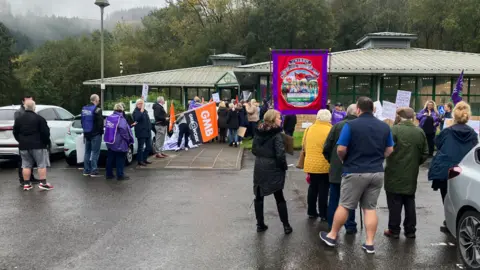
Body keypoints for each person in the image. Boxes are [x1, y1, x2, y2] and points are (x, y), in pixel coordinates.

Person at [319, 97, 394, 254]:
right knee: (370, 208)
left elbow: (340, 148)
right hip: (376, 172)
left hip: (355, 171)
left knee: (345, 205)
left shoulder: (350, 125)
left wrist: (344, 159)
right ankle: (369, 243)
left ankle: (332, 236)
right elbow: (390, 150)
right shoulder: (384, 127)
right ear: (373, 110)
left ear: (358, 109)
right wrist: (380, 159)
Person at [428, 101, 478, 230]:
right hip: (465, 169)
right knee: (465, 197)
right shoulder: (473, 134)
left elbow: (437, 144)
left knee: (447, 196)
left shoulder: (447, 131)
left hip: (445, 169)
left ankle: (449, 222)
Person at [384, 108, 429, 239]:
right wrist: (415, 162)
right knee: (409, 201)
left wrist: (390, 159)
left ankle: (394, 229)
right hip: (411, 172)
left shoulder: (394, 130)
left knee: (394, 202)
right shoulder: (419, 131)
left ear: (399, 116)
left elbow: (387, 149)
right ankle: (410, 230)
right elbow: (426, 152)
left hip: (394, 171)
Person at [252, 109, 292, 234]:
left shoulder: (258, 132)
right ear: (273, 119)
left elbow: (254, 150)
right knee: (279, 195)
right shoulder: (277, 134)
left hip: (259, 165)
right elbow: (280, 154)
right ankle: (286, 226)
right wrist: (284, 166)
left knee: (259, 195)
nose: (281, 120)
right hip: (273, 166)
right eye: (279, 117)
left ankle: (260, 224)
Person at [323, 104, 358, 234]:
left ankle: (332, 224)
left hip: (337, 168)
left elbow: (326, 147)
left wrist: (332, 161)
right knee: (351, 199)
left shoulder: (337, 126)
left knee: (334, 197)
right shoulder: (360, 127)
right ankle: (350, 225)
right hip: (354, 168)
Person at [13, 100, 54, 191]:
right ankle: (43, 183)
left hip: (24, 145)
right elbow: (45, 133)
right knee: (41, 164)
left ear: (25, 107)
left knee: (26, 165)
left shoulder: (19, 119)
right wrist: (45, 142)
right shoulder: (39, 118)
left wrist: (20, 140)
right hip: (38, 145)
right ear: (34, 107)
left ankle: (26, 184)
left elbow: (15, 132)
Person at [303, 109, 332, 220]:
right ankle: (323, 214)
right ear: (329, 118)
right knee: (324, 189)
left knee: (313, 188)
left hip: (310, 164)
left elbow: (304, 146)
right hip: (325, 164)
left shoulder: (309, 129)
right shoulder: (330, 130)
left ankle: (311, 211)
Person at [104, 104, 134, 181]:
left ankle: (109, 174)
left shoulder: (109, 118)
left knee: (110, 158)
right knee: (120, 158)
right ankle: (120, 175)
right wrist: (128, 140)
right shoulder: (121, 119)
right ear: (122, 109)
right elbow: (124, 131)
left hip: (110, 141)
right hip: (120, 142)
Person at [14, 95, 39, 185]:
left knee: (30, 160)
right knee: (23, 161)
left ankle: (30, 177)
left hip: (32, 141)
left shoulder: (32, 111)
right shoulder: (19, 112)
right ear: (23, 101)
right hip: (24, 140)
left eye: (31, 100)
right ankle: (23, 179)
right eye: (28, 100)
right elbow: (17, 128)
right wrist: (20, 139)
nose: (30, 101)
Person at [81, 94, 104, 177]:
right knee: (95, 152)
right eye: (98, 100)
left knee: (87, 152)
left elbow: (82, 121)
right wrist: (101, 132)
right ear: (96, 100)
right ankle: (94, 170)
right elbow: (100, 123)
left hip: (87, 134)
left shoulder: (84, 109)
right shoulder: (97, 110)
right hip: (95, 134)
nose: (98, 101)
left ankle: (86, 170)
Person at [132, 99, 153, 166]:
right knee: (140, 147)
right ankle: (140, 161)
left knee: (149, 146)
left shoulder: (145, 111)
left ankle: (144, 159)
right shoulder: (136, 112)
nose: (141, 105)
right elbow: (137, 119)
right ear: (137, 104)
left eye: (142, 103)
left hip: (147, 132)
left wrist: (150, 128)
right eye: (140, 103)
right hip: (141, 132)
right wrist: (141, 112)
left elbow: (147, 120)